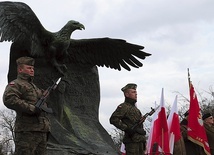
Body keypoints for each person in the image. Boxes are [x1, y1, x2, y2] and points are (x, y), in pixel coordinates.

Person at [3, 56, 50, 155]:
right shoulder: (16, 84)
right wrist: (32, 108)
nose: (32, 70)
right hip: (26, 131)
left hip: (41, 131)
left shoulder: (34, 87)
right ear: (20, 69)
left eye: (32, 68)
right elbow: (9, 99)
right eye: (29, 68)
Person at [109, 83, 146, 155]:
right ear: (127, 94)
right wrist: (127, 128)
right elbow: (113, 119)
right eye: (133, 92)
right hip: (131, 141)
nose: (136, 94)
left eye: (136, 92)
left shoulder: (136, 109)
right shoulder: (123, 106)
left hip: (140, 141)